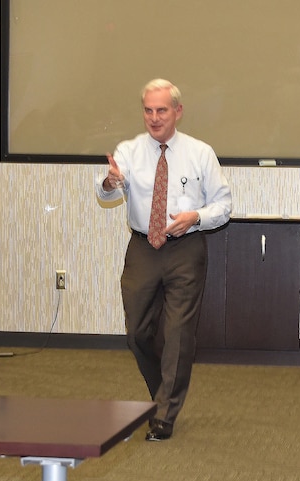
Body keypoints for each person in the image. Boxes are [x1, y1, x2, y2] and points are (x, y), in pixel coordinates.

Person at [97, 78, 232, 441]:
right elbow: (108, 192)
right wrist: (110, 184)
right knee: (137, 333)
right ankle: (163, 393)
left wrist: (196, 217)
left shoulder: (200, 153)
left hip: (185, 248)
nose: (154, 118)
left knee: (177, 333)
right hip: (143, 247)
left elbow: (223, 205)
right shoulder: (129, 150)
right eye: (148, 110)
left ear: (178, 112)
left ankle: (165, 413)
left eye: (162, 110)